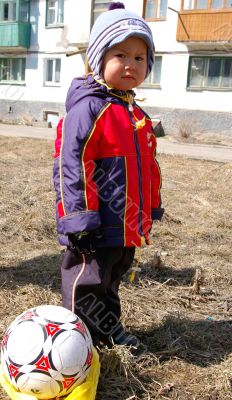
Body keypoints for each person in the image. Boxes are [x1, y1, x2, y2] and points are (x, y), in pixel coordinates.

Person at [53, 2, 163, 350]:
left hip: (127, 222)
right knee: (88, 281)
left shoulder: (136, 113)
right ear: (100, 58)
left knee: (111, 279)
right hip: (96, 222)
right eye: (120, 55)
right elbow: (71, 164)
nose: (131, 64)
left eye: (140, 57)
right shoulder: (90, 107)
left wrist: (152, 207)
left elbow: (149, 165)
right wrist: (80, 219)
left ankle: (108, 329)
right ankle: (78, 342)